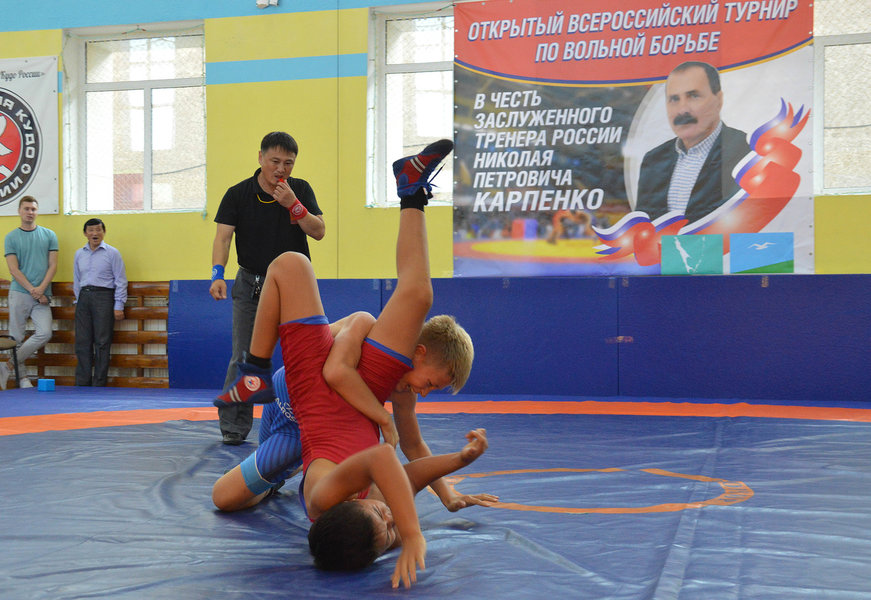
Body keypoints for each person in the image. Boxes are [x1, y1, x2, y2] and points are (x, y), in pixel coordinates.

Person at [212, 140, 494, 587]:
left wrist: (415, 532)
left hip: (305, 398)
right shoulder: (371, 506)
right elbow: (409, 463)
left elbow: (385, 453)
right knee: (418, 294)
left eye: (383, 523)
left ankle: (255, 374)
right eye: (390, 528)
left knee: (290, 263)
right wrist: (456, 469)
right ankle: (412, 192)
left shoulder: (328, 498)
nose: (391, 519)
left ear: (346, 515)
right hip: (345, 389)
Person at [209, 131, 325, 445]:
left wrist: (294, 206)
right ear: (260, 158)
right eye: (275, 161)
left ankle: (309, 423)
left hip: (294, 286)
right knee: (243, 356)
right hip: (251, 284)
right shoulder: (238, 194)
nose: (281, 169)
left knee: (304, 356)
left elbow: (319, 232)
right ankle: (234, 427)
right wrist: (217, 274)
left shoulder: (299, 189)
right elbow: (223, 237)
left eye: (288, 163)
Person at [635, 61, 751, 224]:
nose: (682, 109)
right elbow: (645, 228)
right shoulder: (654, 161)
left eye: (693, 96)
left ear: (719, 100)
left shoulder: (747, 152)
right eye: (674, 99)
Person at [1, 196, 58, 389]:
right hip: (19, 292)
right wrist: (34, 290)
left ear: (37, 211)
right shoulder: (11, 237)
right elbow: (14, 270)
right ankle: (23, 378)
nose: (30, 212)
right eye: (26, 208)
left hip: (42, 294)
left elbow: (53, 265)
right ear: (19, 211)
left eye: (33, 209)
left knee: (45, 333)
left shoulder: (49, 235)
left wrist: (41, 289)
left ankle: (8, 367)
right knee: (15, 338)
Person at [73, 218, 128, 386]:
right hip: (83, 298)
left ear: (104, 232)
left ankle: (99, 382)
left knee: (102, 342)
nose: (94, 233)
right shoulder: (79, 254)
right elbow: (77, 279)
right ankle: (82, 382)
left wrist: (119, 305)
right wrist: (78, 301)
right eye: (91, 230)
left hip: (104, 297)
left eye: (98, 230)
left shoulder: (112, 253)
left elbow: (121, 280)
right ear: (85, 233)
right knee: (82, 341)